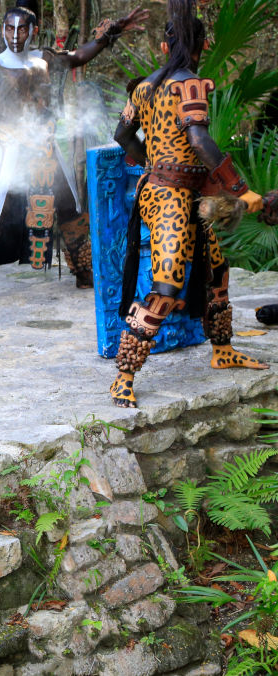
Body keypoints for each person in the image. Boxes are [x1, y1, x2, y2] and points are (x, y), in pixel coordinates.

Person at [108, 0, 275, 408]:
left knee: (216, 270)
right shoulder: (191, 85)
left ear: (165, 49)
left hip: (177, 193)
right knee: (166, 284)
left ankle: (221, 350)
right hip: (170, 198)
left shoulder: (143, 87)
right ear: (200, 48)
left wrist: (152, 165)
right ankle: (123, 376)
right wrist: (239, 189)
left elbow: (122, 135)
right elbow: (199, 141)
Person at [0, 0, 148, 315]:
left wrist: (113, 32)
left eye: (22, 28)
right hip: (12, 146)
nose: (15, 34)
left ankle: (84, 273)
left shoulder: (45, 58)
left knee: (70, 204)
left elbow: (80, 56)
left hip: (45, 143)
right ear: (2, 30)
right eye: (9, 27)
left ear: (34, 30)